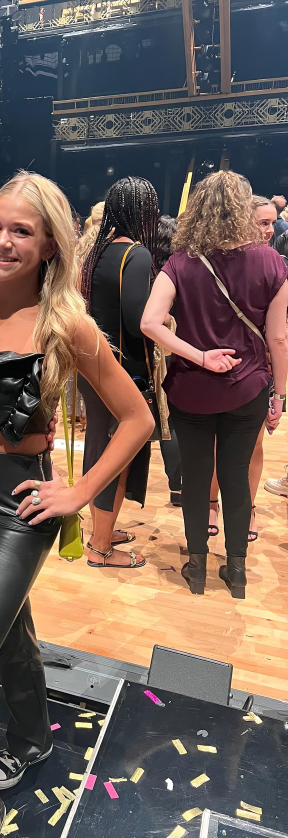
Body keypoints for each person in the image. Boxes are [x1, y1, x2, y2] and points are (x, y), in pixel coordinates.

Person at [0, 172, 154, 837]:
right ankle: (33, 739)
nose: (2, 241)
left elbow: (138, 419)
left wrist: (80, 492)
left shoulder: (66, 323)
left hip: (20, 508)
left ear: (49, 245)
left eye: (22, 231)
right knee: (10, 632)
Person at [141, 170, 288, 599]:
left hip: (191, 388)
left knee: (196, 476)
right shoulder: (271, 262)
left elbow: (150, 322)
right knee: (236, 475)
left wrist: (199, 355)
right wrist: (280, 393)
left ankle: (197, 567)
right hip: (250, 386)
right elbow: (279, 337)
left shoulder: (179, 262)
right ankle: (237, 569)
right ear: (243, 208)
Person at [79, 176, 160, 568]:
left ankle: (102, 529)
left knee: (99, 446)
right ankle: (99, 546)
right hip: (124, 371)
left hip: (93, 362)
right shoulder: (137, 255)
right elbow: (138, 322)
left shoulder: (96, 252)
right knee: (117, 453)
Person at [208, 196, 279, 540]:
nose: (270, 230)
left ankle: (248, 508)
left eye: (273, 223)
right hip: (218, 363)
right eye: (263, 222)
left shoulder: (278, 264)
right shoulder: (215, 263)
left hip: (260, 368)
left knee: (253, 444)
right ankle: (211, 503)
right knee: (214, 442)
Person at [155, 215, 182, 506]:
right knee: (176, 420)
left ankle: (176, 485)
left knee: (166, 420)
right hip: (181, 347)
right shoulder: (180, 267)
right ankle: (182, 485)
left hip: (154, 351)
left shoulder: (149, 269)